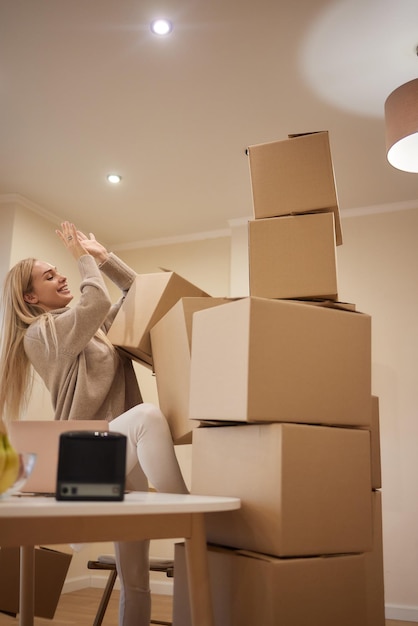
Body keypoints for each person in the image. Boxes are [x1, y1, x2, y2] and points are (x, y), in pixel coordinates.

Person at [0, 221, 188, 626]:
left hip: (123, 454)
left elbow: (140, 297)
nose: (62, 275)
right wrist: (83, 260)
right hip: (89, 454)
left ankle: (187, 530)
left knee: (135, 579)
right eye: (49, 276)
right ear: (30, 297)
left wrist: (105, 259)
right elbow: (96, 301)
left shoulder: (90, 329)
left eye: (59, 270)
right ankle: (191, 515)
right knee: (149, 416)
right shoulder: (42, 335)